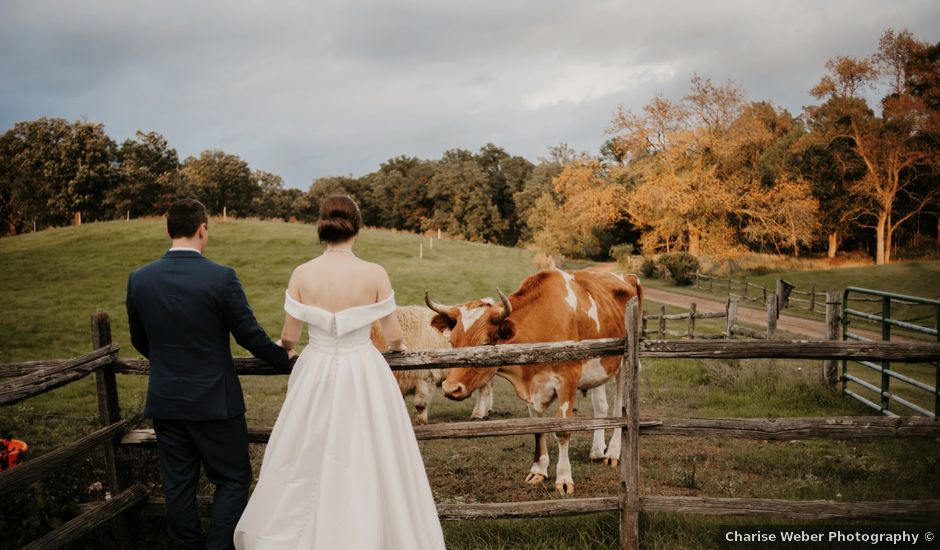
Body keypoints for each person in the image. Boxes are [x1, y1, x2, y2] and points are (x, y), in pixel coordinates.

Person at [233, 195, 445, 549]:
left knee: (305, 450)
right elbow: (394, 336)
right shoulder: (374, 273)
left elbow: (288, 337)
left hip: (316, 369)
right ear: (357, 227)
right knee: (370, 452)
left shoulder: (302, 273)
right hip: (362, 370)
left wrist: (288, 349)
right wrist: (399, 350)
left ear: (322, 226)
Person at [126, 199, 295, 550]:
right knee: (233, 479)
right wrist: (286, 360)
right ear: (203, 228)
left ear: (168, 229)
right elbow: (249, 335)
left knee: (177, 485)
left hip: (166, 400)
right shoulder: (221, 277)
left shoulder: (139, 279)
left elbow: (141, 341)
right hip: (215, 402)